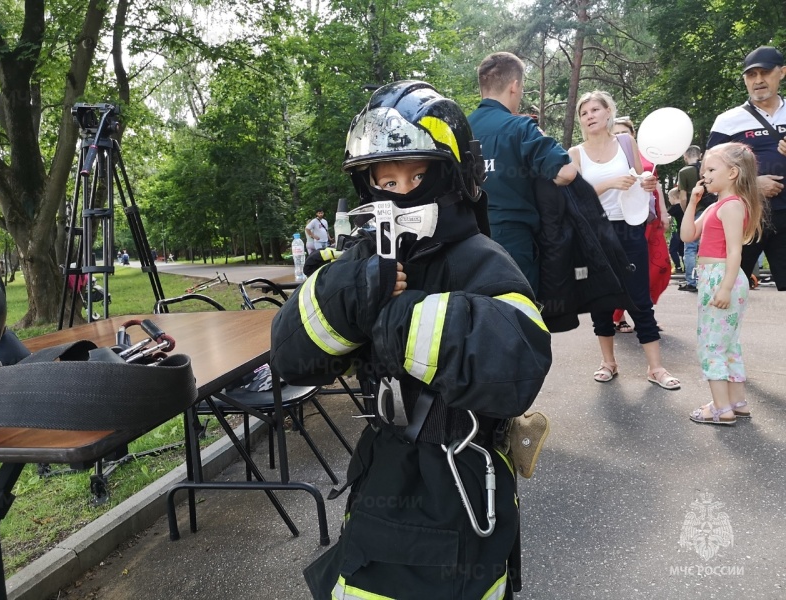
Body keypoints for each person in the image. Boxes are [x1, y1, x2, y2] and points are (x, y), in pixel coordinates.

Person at [271, 80, 552, 599]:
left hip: (460, 479)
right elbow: (290, 359)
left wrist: (396, 318)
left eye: (418, 175)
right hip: (381, 473)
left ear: (452, 176)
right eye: (387, 179)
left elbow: (518, 364)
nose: (400, 191)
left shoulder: (481, 259)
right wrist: (347, 295)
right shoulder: (357, 264)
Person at [567, 90, 680, 390]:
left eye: (594, 110)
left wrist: (650, 184)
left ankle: (655, 368)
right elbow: (573, 200)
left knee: (639, 299)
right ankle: (608, 363)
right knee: (600, 300)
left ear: (608, 113)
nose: (589, 116)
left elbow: (642, 183)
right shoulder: (575, 153)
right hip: (594, 233)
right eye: (584, 113)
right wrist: (609, 183)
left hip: (629, 229)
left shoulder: (627, 143)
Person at [468, 51, 577, 294]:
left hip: (466, 243)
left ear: (482, 86)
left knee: (475, 317)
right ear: (515, 86)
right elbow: (566, 172)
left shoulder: (457, 130)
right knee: (519, 317)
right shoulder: (520, 127)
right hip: (513, 244)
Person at [680, 143, 765, 425]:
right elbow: (687, 234)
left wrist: (725, 287)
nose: (704, 175)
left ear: (733, 173)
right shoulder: (718, 205)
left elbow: (734, 251)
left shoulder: (732, 205)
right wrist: (693, 201)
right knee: (728, 344)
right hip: (717, 276)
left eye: (711, 169)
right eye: (704, 170)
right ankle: (736, 403)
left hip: (721, 275)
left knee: (711, 345)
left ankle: (720, 408)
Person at [707, 45, 786, 290]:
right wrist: (751, 185)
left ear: (782, 72)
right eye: (752, 75)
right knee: (727, 291)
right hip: (744, 218)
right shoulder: (728, 120)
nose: (758, 80)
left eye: (765, 73)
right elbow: (708, 173)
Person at [610, 116, 672, 333]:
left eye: (625, 133)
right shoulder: (608, 157)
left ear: (633, 135)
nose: (620, 137)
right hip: (624, 222)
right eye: (616, 133)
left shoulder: (645, 157)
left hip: (649, 219)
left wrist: (663, 212)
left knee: (659, 266)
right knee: (627, 270)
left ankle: (644, 312)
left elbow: (655, 186)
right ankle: (618, 315)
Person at [677, 145, 707, 292]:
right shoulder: (708, 170)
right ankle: (707, 279)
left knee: (690, 248)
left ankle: (692, 281)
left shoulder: (684, 172)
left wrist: (686, 213)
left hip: (695, 210)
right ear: (700, 155)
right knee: (707, 246)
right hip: (711, 211)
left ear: (685, 156)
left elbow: (682, 197)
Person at [667, 186, 685, 273]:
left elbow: (667, 218)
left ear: (674, 197)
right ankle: (686, 267)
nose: (669, 200)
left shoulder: (674, 208)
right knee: (683, 250)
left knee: (672, 250)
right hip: (684, 232)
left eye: (669, 198)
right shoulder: (684, 207)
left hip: (676, 232)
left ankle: (678, 267)